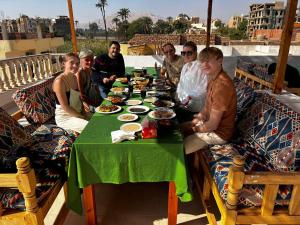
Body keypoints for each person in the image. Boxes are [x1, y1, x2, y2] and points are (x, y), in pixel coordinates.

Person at [182, 47, 237, 154]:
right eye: (202, 61)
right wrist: (195, 121)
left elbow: (212, 125)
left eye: (208, 60)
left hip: (219, 134)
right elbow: (206, 109)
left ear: (220, 61)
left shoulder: (222, 86)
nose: (204, 64)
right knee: (177, 129)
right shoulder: (213, 79)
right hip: (209, 125)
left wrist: (193, 129)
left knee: (180, 147)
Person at [53, 53, 89, 133]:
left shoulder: (74, 78)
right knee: (91, 127)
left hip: (76, 112)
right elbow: (65, 107)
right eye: (72, 62)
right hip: (65, 117)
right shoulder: (59, 81)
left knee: (99, 119)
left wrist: (84, 113)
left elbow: (79, 99)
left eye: (77, 63)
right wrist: (81, 116)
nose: (75, 66)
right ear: (63, 64)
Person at [176, 41, 207, 114]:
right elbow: (181, 84)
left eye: (189, 53)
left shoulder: (201, 67)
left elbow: (204, 87)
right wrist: (180, 99)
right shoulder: (185, 66)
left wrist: (190, 97)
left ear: (195, 53)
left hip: (196, 108)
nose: (186, 55)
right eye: (183, 53)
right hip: (184, 104)